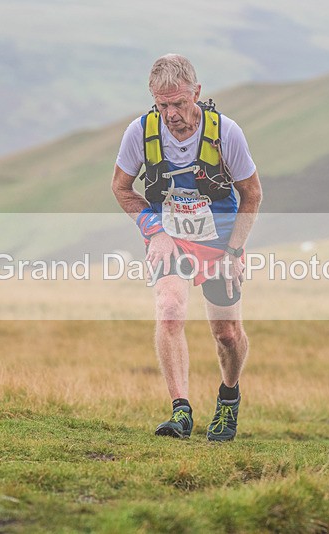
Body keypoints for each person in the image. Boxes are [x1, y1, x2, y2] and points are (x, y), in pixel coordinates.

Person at [111, 54, 262, 441]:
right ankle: (181, 411)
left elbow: (252, 194)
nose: (172, 113)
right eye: (163, 105)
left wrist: (233, 254)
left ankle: (228, 401)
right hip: (169, 238)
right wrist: (155, 232)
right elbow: (121, 188)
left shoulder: (226, 133)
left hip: (220, 239)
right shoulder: (140, 133)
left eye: (179, 103)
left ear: (197, 92)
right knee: (170, 309)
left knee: (226, 332)